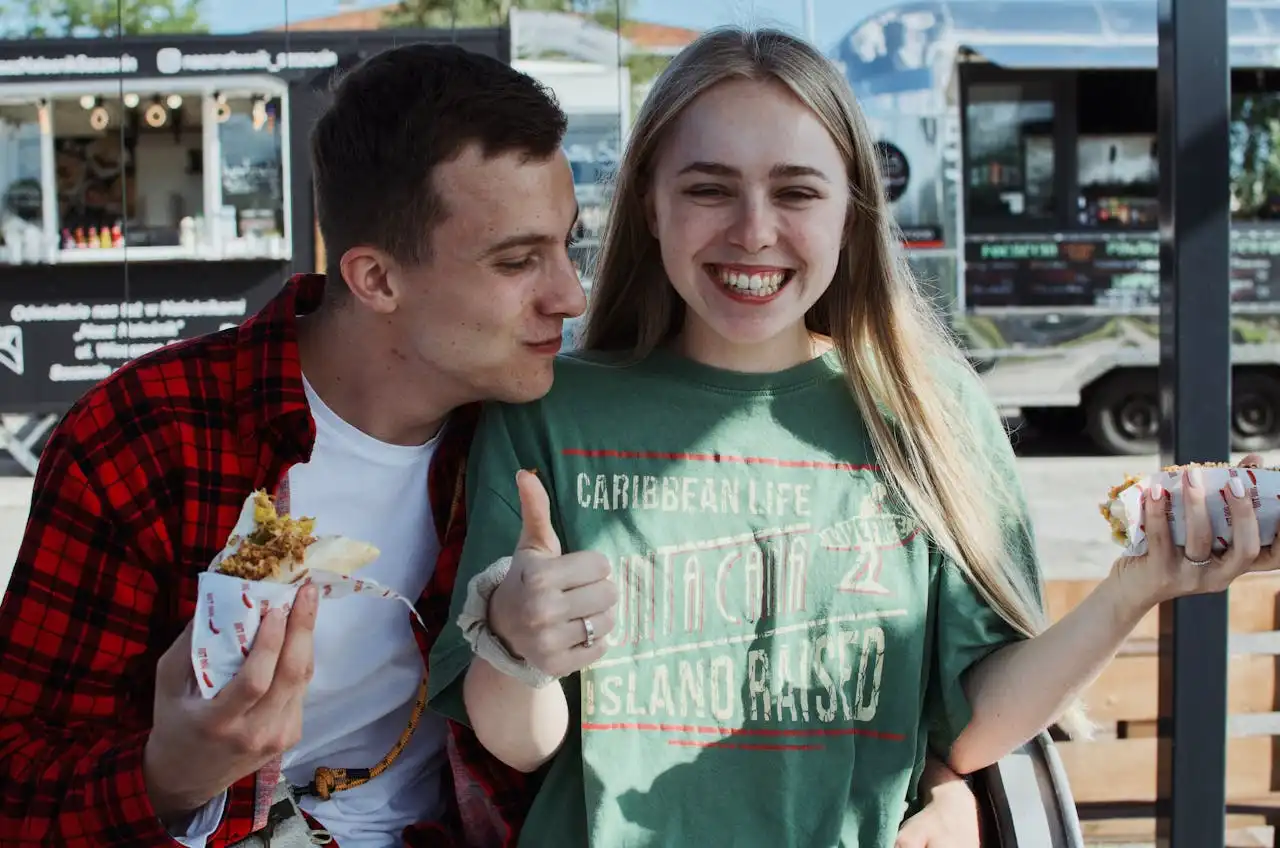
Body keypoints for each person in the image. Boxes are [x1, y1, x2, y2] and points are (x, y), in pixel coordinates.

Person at [0, 40, 979, 848]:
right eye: (519, 261)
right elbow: (19, 779)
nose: (569, 294)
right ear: (377, 278)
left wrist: (926, 770)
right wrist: (171, 771)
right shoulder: (151, 439)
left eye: (567, 244)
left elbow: (735, 658)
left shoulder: (538, 433)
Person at [425, 26, 1280, 848]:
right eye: (708, 188)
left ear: (851, 211)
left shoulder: (929, 408)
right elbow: (519, 743)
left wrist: (1130, 591)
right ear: (650, 204)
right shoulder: (549, 407)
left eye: (796, 191)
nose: (753, 230)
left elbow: (973, 721)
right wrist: (518, 640)